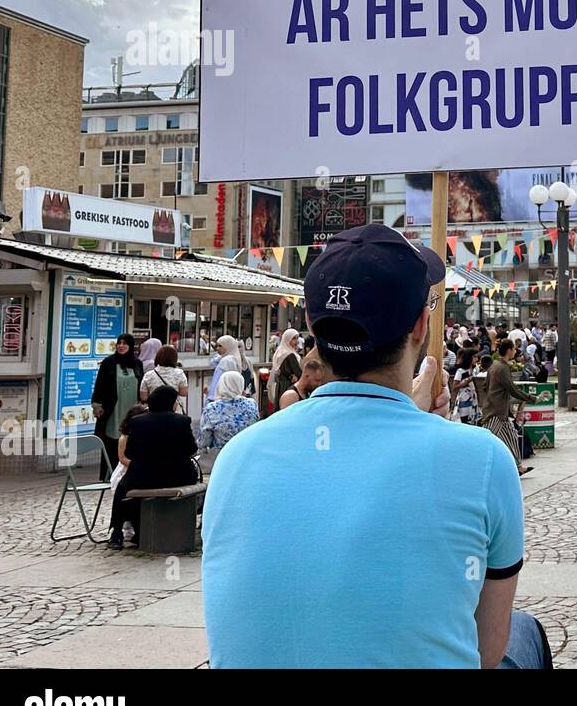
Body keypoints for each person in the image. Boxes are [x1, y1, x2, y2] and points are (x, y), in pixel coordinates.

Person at [202, 223, 549, 668]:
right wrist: (422, 428)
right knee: (523, 632)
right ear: (421, 325)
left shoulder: (238, 456)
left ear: (311, 325)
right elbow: (484, 652)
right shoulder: (483, 460)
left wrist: (415, 422)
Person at [106, 385, 198, 550]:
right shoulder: (182, 421)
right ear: (170, 402)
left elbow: (130, 452)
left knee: (122, 489)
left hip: (143, 476)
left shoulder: (137, 422)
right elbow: (191, 449)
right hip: (178, 475)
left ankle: (117, 532)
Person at [90, 333, 143, 480]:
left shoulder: (137, 364)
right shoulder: (109, 362)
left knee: (130, 440)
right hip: (113, 408)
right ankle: (109, 474)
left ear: (131, 346)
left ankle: (129, 474)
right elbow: (99, 385)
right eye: (119, 343)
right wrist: (97, 405)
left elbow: (142, 384)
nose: (121, 346)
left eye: (125, 343)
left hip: (132, 409)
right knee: (111, 440)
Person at [485, 339, 536, 476]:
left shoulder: (495, 365)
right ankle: (479, 465)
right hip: (495, 411)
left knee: (512, 437)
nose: (515, 352)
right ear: (508, 350)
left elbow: (486, 386)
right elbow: (512, 389)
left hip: (500, 410)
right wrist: (531, 398)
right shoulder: (502, 368)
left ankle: (518, 466)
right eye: (513, 349)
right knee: (488, 439)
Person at [198, 370, 260, 467]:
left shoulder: (212, 408)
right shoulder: (251, 404)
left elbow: (204, 441)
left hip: (223, 459)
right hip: (248, 455)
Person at [139, 345, 189, 409]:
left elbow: (144, 397)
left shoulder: (148, 375)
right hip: (173, 410)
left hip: (153, 410)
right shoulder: (179, 373)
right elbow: (183, 393)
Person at [268, 329, 303, 414]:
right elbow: (300, 373)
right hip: (289, 386)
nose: (296, 341)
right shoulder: (290, 355)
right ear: (287, 339)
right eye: (293, 338)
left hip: (280, 385)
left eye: (297, 338)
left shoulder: (279, 352)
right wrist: (293, 376)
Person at [452, 348, 481, 424]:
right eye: (474, 357)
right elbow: (454, 386)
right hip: (464, 398)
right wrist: (465, 383)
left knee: (473, 418)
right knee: (464, 419)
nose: (476, 359)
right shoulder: (460, 371)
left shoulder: (474, 370)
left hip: (473, 397)